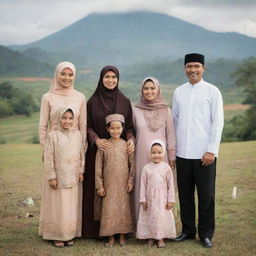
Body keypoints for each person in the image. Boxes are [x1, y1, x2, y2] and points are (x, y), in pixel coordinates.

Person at [172, 53, 224, 248]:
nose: (192, 69)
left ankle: (205, 233)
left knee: (206, 195)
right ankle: (187, 230)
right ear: (184, 68)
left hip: (205, 154)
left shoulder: (212, 91)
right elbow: (175, 121)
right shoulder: (179, 92)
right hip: (183, 153)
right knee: (185, 195)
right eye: (189, 66)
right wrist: (174, 150)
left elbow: (217, 123)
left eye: (196, 66)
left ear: (203, 68)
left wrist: (211, 150)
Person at [82, 65, 135, 238]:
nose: (110, 80)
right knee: (99, 190)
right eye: (107, 77)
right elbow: (87, 126)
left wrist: (131, 140)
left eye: (113, 77)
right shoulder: (92, 102)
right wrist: (96, 140)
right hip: (99, 152)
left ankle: (120, 228)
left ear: (118, 79)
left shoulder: (124, 101)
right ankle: (97, 230)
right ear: (101, 79)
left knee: (119, 193)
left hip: (120, 155)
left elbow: (129, 128)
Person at [39, 107, 85, 247]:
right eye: (64, 118)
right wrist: (52, 176)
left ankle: (68, 234)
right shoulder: (53, 135)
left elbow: (81, 154)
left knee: (70, 208)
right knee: (59, 207)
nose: (67, 121)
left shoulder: (77, 134)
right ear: (59, 118)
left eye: (70, 118)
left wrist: (81, 171)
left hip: (72, 177)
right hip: (58, 179)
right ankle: (57, 235)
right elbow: (48, 157)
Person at [133, 77, 176, 222]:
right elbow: (131, 132)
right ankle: (142, 225)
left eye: (152, 88)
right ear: (141, 90)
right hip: (140, 156)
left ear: (158, 89)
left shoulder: (166, 111)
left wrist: (172, 157)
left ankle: (160, 225)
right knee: (143, 187)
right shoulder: (135, 110)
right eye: (146, 88)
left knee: (160, 189)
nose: (149, 91)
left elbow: (170, 135)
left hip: (161, 157)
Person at [95, 114, 135, 247]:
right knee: (109, 210)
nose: (116, 131)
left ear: (123, 128)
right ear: (108, 129)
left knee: (123, 209)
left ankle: (123, 236)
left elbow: (132, 165)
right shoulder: (104, 146)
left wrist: (131, 181)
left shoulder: (126, 145)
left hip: (123, 185)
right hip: (109, 185)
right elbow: (98, 167)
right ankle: (110, 237)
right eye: (112, 128)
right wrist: (99, 186)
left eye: (118, 128)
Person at [136, 139, 176, 248]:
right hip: (150, 199)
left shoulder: (166, 168)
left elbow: (170, 185)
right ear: (150, 153)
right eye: (153, 153)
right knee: (150, 217)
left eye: (159, 152)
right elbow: (143, 185)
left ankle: (160, 238)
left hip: (162, 199)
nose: (156, 155)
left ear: (163, 153)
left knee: (160, 217)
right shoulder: (146, 168)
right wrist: (143, 199)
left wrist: (171, 200)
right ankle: (150, 237)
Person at [39, 61, 87, 150]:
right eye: (63, 74)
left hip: (75, 147)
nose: (66, 78)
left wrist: (83, 147)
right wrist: (45, 149)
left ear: (74, 76)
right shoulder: (47, 97)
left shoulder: (80, 97)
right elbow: (43, 126)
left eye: (70, 75)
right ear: (57, 74)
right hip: (54, 147)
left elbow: (83, 126)